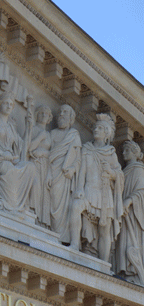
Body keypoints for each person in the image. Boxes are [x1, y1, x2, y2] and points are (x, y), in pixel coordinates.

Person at [68, 113, 124, 262]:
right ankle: (74, 243)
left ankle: (104, 263)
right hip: (88, 191)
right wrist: (79, 189)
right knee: (75, 206)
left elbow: (119, 174)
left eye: (100, 128)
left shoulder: (111, 153)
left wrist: (111, 173)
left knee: (104, 229)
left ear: (106, 134)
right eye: (95, 127)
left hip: (104, 195)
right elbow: (82, 171)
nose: (95, 129)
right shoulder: (87, 148)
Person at [0, 92, 40, 215]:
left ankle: (19, 205)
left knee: (30, 167)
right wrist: (2, 153)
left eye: (11, 104)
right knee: (9, 168)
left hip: (11, 160)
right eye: (6, 103)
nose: (9, 106)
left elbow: (22, 146)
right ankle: (11, 206)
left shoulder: (11, 127)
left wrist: (29, 128)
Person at [47, 105, 81, 243]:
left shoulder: (74, 135)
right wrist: (48, 172)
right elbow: (46, 155)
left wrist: (73, 169)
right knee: (52, 202)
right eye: (59, 112)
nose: (61, 114)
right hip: (52, 172)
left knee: (64, 208)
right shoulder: (52, 133)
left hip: (65, 176)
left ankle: (60, 238)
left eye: (65, 112)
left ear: (71, 118)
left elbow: (78, 159)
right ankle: (51, 233)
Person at [117, 141, 144, 284]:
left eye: (127, 150)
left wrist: (130, 200)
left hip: (133, 214)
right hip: (122, 212)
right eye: (123, 150)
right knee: (122, 239)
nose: (123, 153)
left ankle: (132, 270)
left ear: (135, 152)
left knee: (130, 240)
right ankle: (123, 269)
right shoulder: (124, 170)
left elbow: (141, 192)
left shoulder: (139, 170)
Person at [28, 105, 53, 226]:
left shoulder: (50, 135)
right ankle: (32, 213)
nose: (44, 115)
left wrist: (43, 153)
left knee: (45, 194)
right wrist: (39, 137)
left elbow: (53, 154)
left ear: (49, 118)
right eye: (41, 113)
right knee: (35, 186)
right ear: (37, 115)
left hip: (46, 166)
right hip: (34, 163)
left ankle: (41, 221)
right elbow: (28, 147)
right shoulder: (32, 129)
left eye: (46, 114)